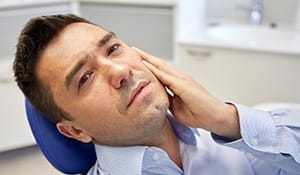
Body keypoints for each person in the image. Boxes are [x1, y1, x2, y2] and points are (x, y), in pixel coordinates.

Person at [13, 14, 300, 175]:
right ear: (75, 131)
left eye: (113, 49)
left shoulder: (228, 133)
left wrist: (227, 120)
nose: (119, 71)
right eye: (85, 78)